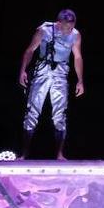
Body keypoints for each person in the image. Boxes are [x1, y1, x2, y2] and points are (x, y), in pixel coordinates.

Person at [18, 9, 84, 160]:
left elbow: (78, 57)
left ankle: (60, 154)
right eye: (67, 27)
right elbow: (29, 51)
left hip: (61, 72)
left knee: (60, 113)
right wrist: (23, 71)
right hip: (42, 70)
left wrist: (80, 80)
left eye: (72, 27)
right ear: (59, 24)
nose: (69, 30)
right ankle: (24, 153)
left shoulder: (75, 34)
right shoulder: (44, 31)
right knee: (32, 111)